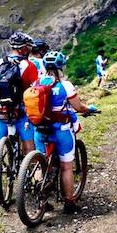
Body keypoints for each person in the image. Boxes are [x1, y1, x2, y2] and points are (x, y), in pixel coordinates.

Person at [33, 51, 97, 214]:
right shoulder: (65, 85)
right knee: (67, 167)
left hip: (40, 129)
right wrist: (89, 109)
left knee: (42, 162)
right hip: (61, 130)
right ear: (61, 67)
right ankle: (69, 202)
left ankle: (41, 197)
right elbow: (78, 108)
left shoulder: (36, 83)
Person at [0, 32, 39, 196]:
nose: (29, 50)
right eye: (28, 47)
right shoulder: (29, 66)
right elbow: (34, 91)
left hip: (2, 112)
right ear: (22, 49)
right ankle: (35, 183)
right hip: (21, 112)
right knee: (29, 147)